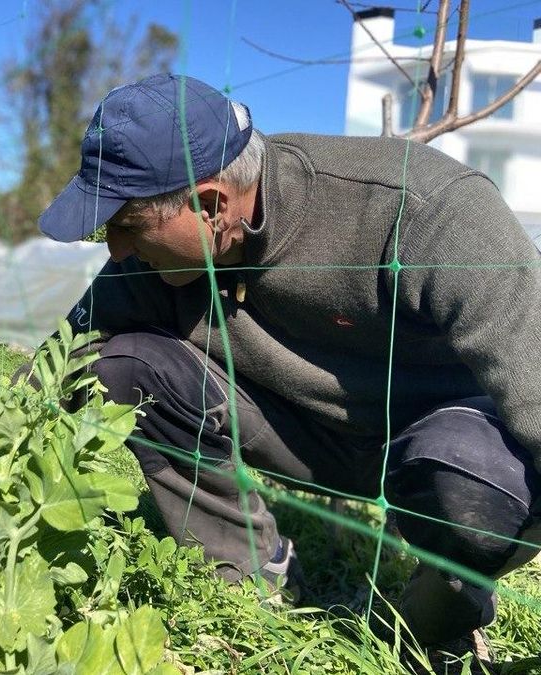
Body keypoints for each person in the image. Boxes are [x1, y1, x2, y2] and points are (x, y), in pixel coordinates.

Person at [36, 73, 541, 671]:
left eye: (127, 225)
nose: (115, 250)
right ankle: (247, 578)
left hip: (442, 445)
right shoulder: (158, 262)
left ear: (209, 203)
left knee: (473, 486)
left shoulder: (425, 208)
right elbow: (58, 361)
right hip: (301, 435)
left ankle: (432, 622)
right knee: (123, 367)